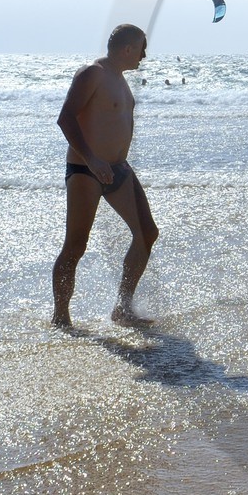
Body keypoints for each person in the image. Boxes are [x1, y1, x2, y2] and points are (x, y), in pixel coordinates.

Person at [51, 24, 159, 328]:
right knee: (76, 245)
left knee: (147, 233)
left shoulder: (121, 80)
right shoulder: (93, 73)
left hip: (118, 169)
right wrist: (92, 158)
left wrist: (112, 161)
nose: (144, 56)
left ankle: (123, 309)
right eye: (142, 49)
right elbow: (66, 118)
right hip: (87, 170)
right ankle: (61, 317)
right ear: (128, 48)